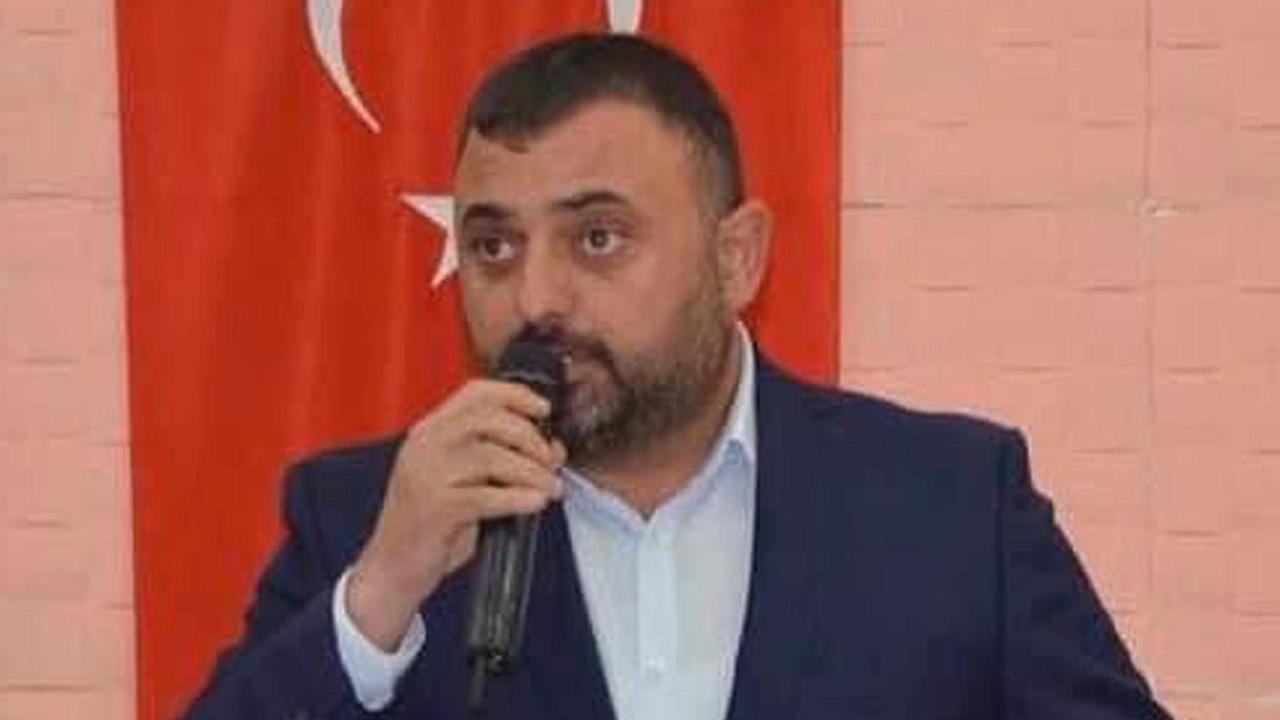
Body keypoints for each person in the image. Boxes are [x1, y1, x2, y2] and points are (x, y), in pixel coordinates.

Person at [181, 32, 1173, 720]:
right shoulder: (367, 521)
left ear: (737, 259)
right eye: (492, 246)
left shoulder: (948, 506)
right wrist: (378, 598)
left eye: (596, 237)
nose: (535, 297)